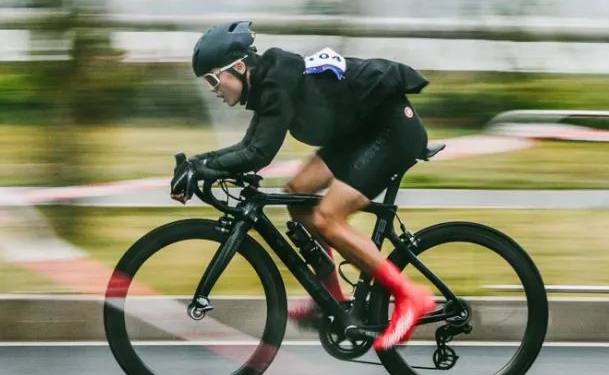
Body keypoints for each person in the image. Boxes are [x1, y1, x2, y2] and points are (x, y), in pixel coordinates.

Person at [172, 21, 435, 350]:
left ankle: (412, 296)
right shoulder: (269, 81)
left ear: (238, 67)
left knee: (327, 217)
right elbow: (249, 145)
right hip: (359, 132)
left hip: (391, 129)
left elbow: (258, 154)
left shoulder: (276, 81)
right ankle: (330, 298)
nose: (213, 88)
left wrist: (204, 170)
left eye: (213, 78)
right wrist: (198, 164)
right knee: (296, 195)